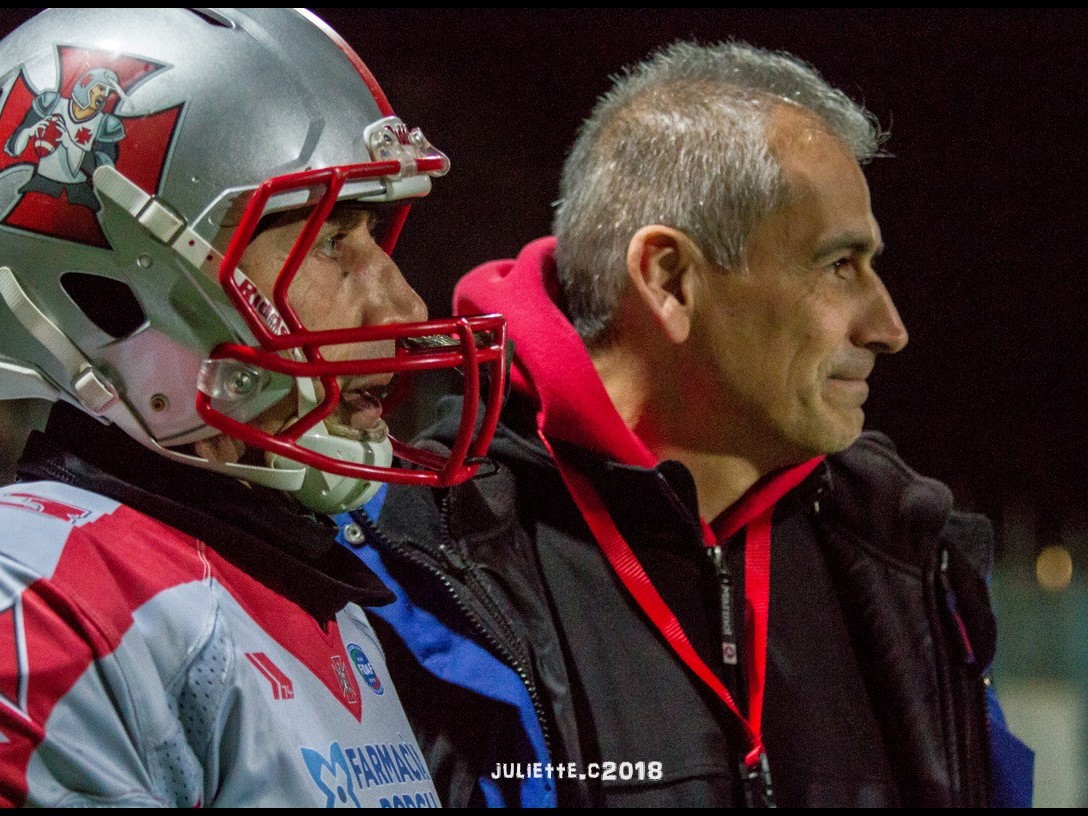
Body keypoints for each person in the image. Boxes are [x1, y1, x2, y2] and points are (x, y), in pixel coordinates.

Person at [341, 39, 1036, 807]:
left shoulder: (902, 551)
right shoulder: (421, 562)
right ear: (669, 279)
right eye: (840, 266)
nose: (888, 326)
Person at [0, 7, 507, 807]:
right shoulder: (38, 593)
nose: (403, 306)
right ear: (120, 291)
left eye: (373, 230)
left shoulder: (320, 601)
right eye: (327, 239)